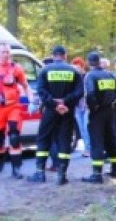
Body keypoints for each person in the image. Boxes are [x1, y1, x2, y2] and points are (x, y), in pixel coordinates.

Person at [0, 42, 36, 179]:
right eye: (3, 52)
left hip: (13, 106)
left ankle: (16, 168)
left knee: (14, 136)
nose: (6, 54)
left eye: (7, 52)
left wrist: (31, 100)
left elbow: (25, 85)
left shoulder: (16, 68)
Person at [28, 46, 83, 185]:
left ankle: (40, 173)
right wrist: (65, 102)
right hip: (67, 111)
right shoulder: (74, 71)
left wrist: (54, 104)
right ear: (65, 55)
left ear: (53, 56)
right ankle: (62, 175)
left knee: (43, 139)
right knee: (65, 140)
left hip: (50, 111)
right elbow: (79, 92)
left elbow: (41, 90)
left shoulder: (45, 70)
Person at [81, 53, 116, 183]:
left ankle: (97, 174)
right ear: (98, 62)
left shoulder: (90, 76)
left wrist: (93, 107)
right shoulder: (109, 75)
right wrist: (115, 102)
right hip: (110, 112)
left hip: (97, 113)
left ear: (89, 62)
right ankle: (115, 169)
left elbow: (90, 94)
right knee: (110, 140)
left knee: (97, 141)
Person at [42, 56, 60, 172]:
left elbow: (42, 93)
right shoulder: (59, 75)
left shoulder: (45, 75)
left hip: (50, 109)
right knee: (58, 138)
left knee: (50, 138)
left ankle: (55, 164)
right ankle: (58, 164)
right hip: (62, 109)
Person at [71, 56, 91, 158]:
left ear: (82, 66)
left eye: (77, 66)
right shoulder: (74, 78)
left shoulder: (87, 77)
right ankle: (87, 148)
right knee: (82, 129)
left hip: (86, 105)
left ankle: (89, 149)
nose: (75, 69)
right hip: (77, 106)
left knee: (86, 128)